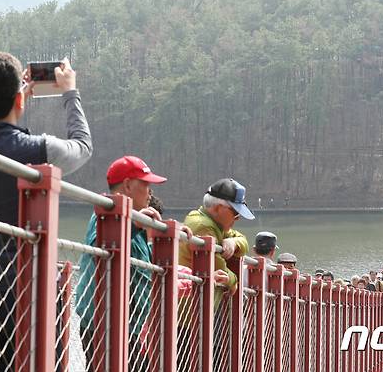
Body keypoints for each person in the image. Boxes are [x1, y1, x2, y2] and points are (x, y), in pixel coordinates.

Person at [0, 52, 93, 372]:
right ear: (19, 98)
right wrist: (70, 92)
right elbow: (83, 147)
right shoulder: (37, 150)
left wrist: (15, 101)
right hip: (33, 293)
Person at [75, 156, 192, 371]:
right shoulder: (107, 210)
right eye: (145, 184)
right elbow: (99, 246)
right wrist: (132, 223)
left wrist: (168, 234)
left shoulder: (132, 219)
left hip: (123, 323)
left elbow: (138, 257)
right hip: (104, 322)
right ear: (128, 185)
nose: (150, 192)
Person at [180, 178, 253, 306]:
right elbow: (219, 269)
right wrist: (233, 281)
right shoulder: (203, 226)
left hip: (196, 310)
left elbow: (244, 241)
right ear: (219, 208)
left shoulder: (215, 224)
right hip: (187, 313)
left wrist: (234, 242)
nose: (238, 218)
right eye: (236, 212)